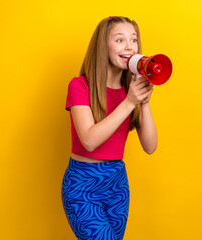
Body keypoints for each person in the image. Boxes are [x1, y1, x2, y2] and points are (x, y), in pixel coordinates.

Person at [61, 16, 157, 240]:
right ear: (102, 46)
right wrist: (129, 102)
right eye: (119, 40)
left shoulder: (130, 90)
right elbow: (89, 140)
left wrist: (144, 102)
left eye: (133, 40)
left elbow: (150, 146)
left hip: (117, 184)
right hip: (83, 186)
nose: (129, 46)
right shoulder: (79, 86)